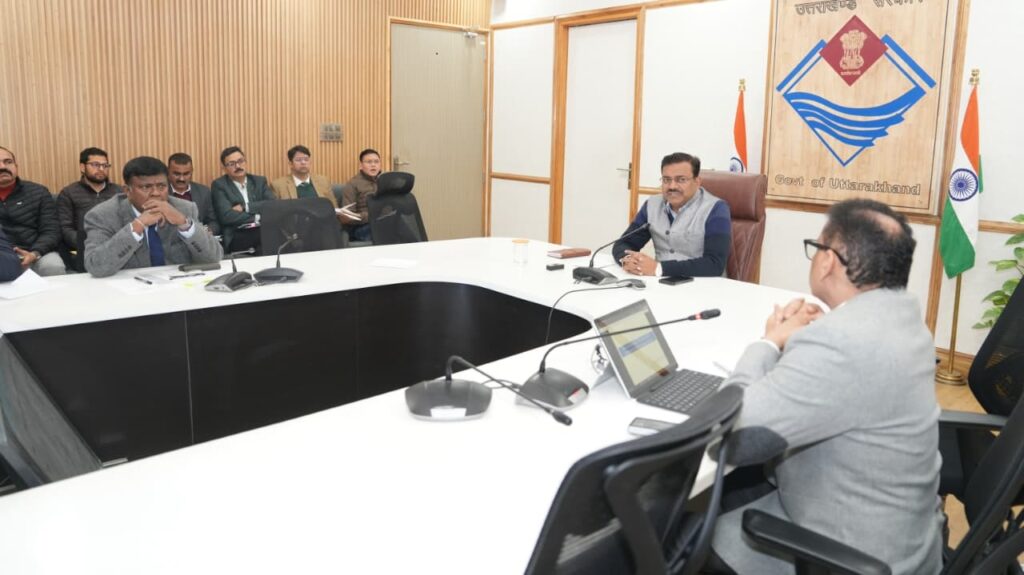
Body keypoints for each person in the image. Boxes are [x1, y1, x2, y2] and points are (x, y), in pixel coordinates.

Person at [708, 199, 942, 575]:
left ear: (827, 261)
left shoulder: (841, 342)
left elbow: (732, 435)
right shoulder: (905, 320)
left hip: (851, 552)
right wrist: (810, 339)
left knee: (679, 533)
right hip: (904, 534)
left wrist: (769, 342)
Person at [83, 156, 223, 277]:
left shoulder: (184, 208)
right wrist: (137, 226)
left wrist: (184, 223)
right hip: (130, 292)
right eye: (146, 187)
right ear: (127, 191)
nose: (156, 193)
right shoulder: (103, 215)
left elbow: (214, 257)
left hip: (178, 287)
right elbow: (96, 266)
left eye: (162, 186)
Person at [613, 152, 730, 277]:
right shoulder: (652, 205)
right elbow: (623, 244)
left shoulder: (716, 209)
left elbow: (715, 264)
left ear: (697, 182)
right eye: (666, 180)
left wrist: (659, 268)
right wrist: (628, 260)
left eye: (681, 180)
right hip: (660, 283)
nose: (672, 186)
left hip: (704, 284)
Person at [0, 146, 66, 276]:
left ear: (16, 166)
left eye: (8, 162)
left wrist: (34, 253)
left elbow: (51, 231)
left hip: (38, 252)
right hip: (3, 255)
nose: (3, 166)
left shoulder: (38, 192)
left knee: (53, 266)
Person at [56, 147, 123, 270]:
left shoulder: (119, 192)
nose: (101, 169)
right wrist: (87, 243)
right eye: (96, 165)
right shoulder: (69, 193)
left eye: (105, 165)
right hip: (83, 249)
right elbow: (65, 228)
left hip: (117, 247)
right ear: (82, 167)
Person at [211, 146, 275, 254]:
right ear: (224, 168)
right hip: (238, 233)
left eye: (240, 161)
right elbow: (226, 216)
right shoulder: (219, 185)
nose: (238, 166)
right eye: (232, 164)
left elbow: (272, 205)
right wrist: (257, 217)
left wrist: (246, 207)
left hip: (263, 230)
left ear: (246, 161)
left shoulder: (259, 181)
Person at [168, 152, 220, 237]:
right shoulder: (161, 192)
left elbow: (214, 222)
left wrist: (208, 231)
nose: (181, 179)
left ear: (192, 172)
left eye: (186, 174)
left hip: (198, 239)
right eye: (177, 174)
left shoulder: (204, 192)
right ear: (168, 172)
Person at [270, 145, 338, 207]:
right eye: (298, 160)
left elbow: (333, 207)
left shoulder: (323, 181)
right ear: (290, 164)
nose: (303, 162)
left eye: (306, 159)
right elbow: (276, 211)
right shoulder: (278, 185)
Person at [338, 148, 381, 242]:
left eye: (376, 162)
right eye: (369, 162)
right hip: (361, 226)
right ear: (361, 166)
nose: (373, 165)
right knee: (384, 233)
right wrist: (371, 215)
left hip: (383, 220)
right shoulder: (352, 184)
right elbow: (347, 216)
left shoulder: (384, 181)